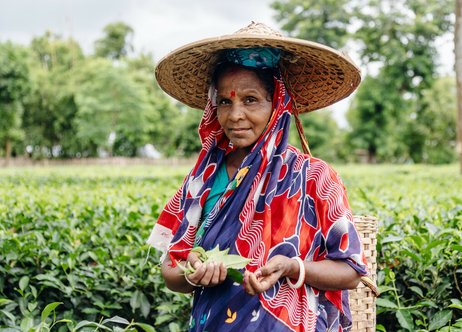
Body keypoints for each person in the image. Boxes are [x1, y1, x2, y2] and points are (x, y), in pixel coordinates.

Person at [147, 22, 371, 332]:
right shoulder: (201, 180)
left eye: (250, 100)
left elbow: (350, 271)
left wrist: (292, 267)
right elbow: (172, 269)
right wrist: (193, 272)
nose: (235, 114)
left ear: (277, 103)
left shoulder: (315, 177)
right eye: (225, 101)